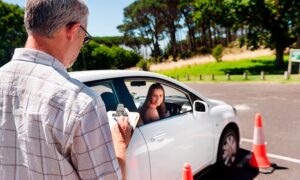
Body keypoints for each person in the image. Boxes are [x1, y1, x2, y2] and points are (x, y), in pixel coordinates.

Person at [0, 0, 131, 179]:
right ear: (73, 30)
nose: (81, 44)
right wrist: (120, 145)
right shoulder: (80, 102)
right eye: (85, 38)